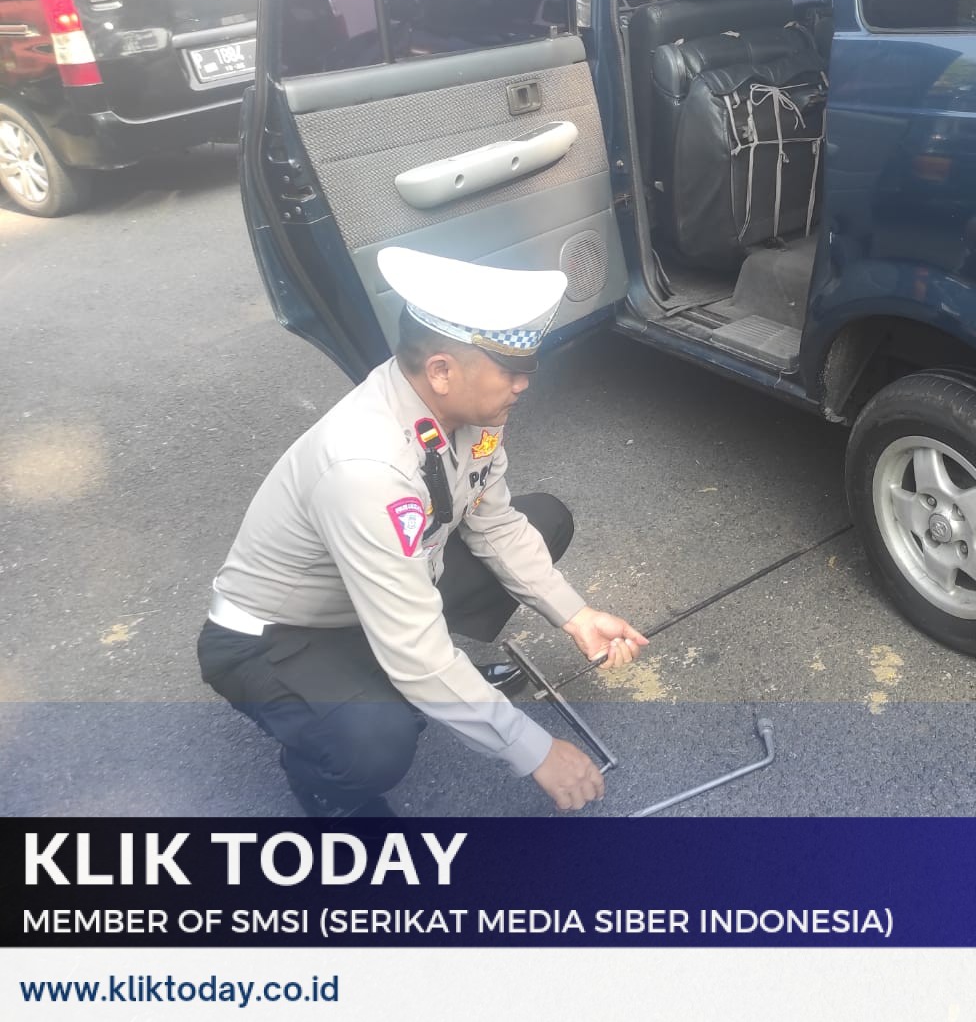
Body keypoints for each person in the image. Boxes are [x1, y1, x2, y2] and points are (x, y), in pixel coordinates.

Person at [197, 247, 648, 817]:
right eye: (510, 370)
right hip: (279, 633)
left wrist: (575, 614)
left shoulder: (467, 414)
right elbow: (413, 647)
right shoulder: (366, 468)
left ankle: (413, 681)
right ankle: (328, 790)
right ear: (440, 370)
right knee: (375, 741)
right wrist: (533, 749)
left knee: (544, 518)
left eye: (526, 368)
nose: (523, 385)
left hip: (373, 594)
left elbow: (494, 522)